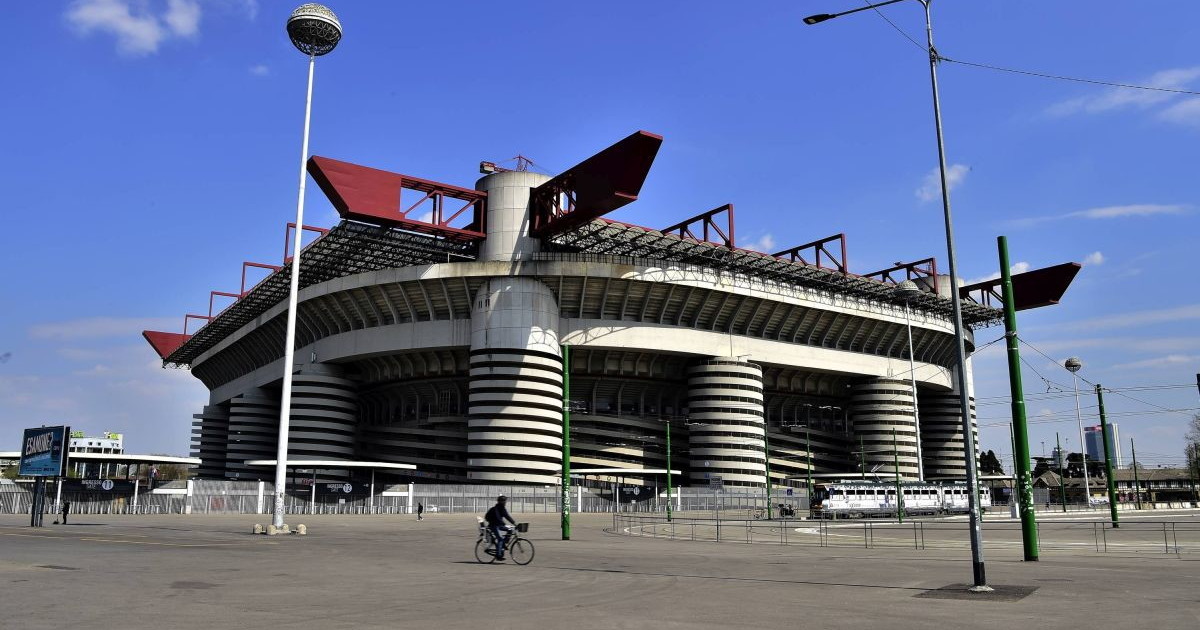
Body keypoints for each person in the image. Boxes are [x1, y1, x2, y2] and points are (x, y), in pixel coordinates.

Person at [484, 495, 516, 560]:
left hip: (499, 525)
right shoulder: (495, 509)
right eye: (504, 501)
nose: (505, 502)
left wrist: (515, 523)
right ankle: (498, 555)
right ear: (500, 501)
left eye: (505, 501)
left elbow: (507, 516)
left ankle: (503, 544)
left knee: (510, 530)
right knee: (500, 539)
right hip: (493, 526)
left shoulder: (503, 508)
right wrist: (503, 523)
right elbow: (498, 518)